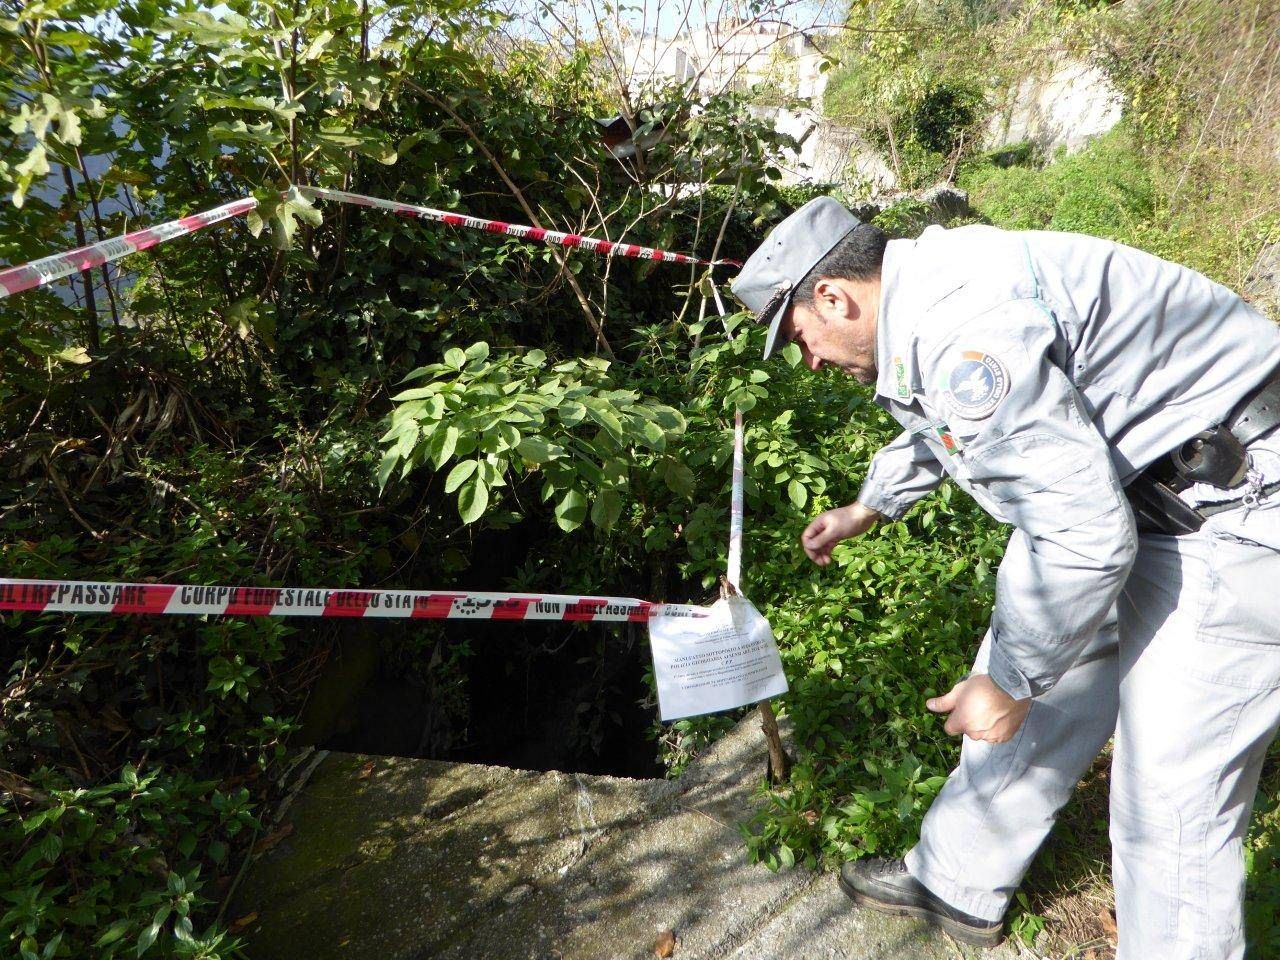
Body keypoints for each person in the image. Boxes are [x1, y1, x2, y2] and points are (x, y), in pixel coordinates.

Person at [729, 196, 1280, 959]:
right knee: (1030, 652)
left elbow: (1082, 537)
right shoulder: (929, 290)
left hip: (1239, 510)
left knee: (1170, 807)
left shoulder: (963, 324)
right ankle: (957, 877)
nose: (811, 359)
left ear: (832, 297)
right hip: (1139, 488)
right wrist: (870, 505)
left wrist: (1015, 680)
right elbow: (944, 417)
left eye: (800, 339)